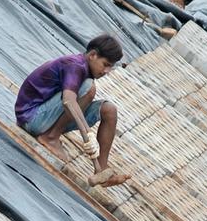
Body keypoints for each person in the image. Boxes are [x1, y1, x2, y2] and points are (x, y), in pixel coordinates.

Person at [15, 35, 130, 188]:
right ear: (93, 55)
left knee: (109, 110)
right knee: (88, 88)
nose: (106, 71)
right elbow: (68, 100)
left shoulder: (85, 69)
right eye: (105, 64)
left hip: (45, 117)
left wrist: (88, 136)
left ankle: (101, 170)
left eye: (110, 67)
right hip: (31, 118)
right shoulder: (75, 65)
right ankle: (50, 137)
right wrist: (88, 134)